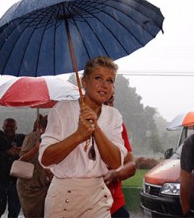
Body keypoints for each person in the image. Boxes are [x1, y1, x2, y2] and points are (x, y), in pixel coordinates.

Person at [38, 56, 127, 218]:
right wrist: (78, 135)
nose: (105, 85)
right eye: (98, 78)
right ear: (84, 82)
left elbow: (115, 162)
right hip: (64, 198)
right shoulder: (62, 110)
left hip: (97, 198)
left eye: (110, 81)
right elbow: (45, 159)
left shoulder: (114, 116)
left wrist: (96, 129)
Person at [103, 94, 136, 218]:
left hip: (115, 204)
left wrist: (114, 174)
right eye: (104, 102)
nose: (108, 106)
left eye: (111, 100)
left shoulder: (118, 126)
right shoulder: (78, 125)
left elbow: (131, 165)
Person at [16, 114, 52, 217]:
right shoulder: (32, 137)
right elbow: (22, 159)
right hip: (29, 186)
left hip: (45, 185)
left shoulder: (57, 139)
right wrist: (37, 147)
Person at [0, 118, 25, 218]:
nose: (9, 128)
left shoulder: (21, 138)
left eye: (11, 126)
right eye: (6, 126)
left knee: (14, 209)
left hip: (16, 181)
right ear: (3, 127)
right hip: (0, 180)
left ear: (16, 128)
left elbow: (32, 143)